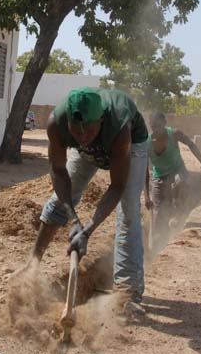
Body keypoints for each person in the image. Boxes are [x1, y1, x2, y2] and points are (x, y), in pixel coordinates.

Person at [29, 87, 149, 314]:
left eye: (89, 129)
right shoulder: (57, 123)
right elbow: (58, 170)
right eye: (77, 130)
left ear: (101, 119)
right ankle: (32, 266)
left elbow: (117, 186)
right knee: (58, 201)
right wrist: (74, 218)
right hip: (90, 151)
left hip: (131, 147)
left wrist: (87, 231)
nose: (83, 135)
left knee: (129, 211)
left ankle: (128, 292)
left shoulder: (120, 127)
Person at [144, 112, 201, 238]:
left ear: (165, 124)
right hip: (159, 177)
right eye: (153, 126)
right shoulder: (147, 142)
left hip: (177, 171)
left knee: (181, 182)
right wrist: (147, 197)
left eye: (159, 126)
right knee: (158, 216)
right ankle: (160, 242)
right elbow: (144, 171)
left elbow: (191, 144)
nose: (156, 129)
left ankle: (179, 211)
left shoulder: (174, 134)